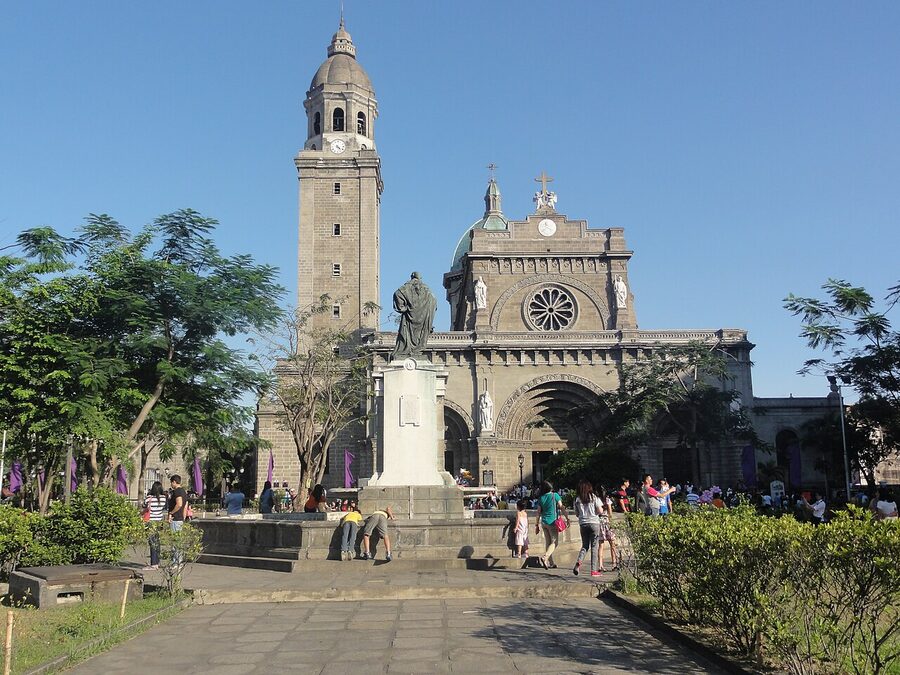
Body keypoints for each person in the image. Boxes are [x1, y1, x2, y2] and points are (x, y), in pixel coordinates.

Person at [572, 479, 603, 577]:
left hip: (583, 524)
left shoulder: (577, 499)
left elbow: (577, 514)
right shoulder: (594, 497)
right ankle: (593, 571)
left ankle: (579, 562)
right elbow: (600, 510)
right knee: (594, 546)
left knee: (585, 546)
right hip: (594, 523)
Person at [535, 480, 568, 569]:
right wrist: (567, 518)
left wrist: (536, 525)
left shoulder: (541, 498)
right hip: (552, 522)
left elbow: (538, 512)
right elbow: (561, 507)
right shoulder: (555, 495)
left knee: (548, 542)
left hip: (544, 522)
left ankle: (551, 563)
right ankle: (545, 558)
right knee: (555, 542)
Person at [142, 481, 167, 570]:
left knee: (152, 542)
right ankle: (157, 562)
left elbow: (144, 506)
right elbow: (163, 508)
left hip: (150, 521)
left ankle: (153, 563)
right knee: (157, 541)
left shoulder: (149, 498)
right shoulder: (164, 498)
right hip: (159, 521)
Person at [597, 487, 618, 571]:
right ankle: (614, 564)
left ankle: (600, 565)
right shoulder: (607, 500)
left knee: (601, 544)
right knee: (612, 543)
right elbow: (610, 512)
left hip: (599, 521)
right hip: (607, 521)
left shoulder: (597, 500)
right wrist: (611, 521)